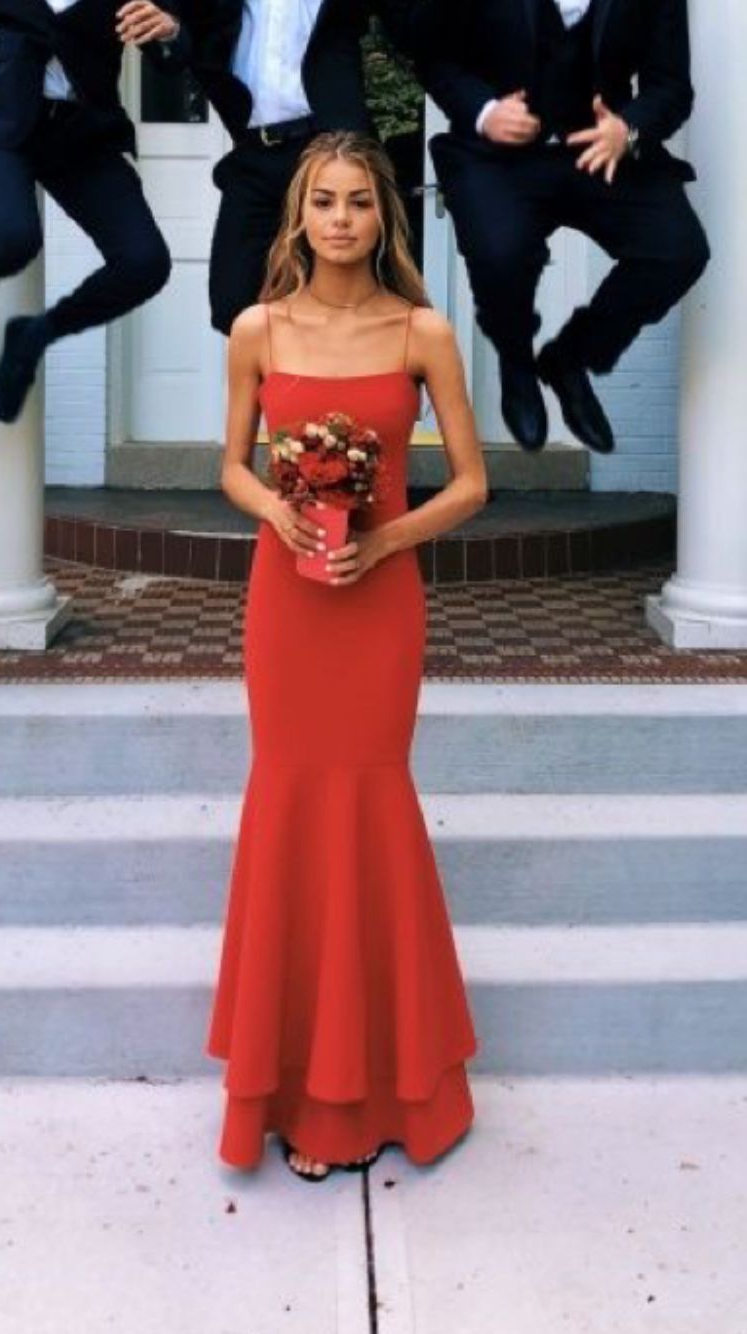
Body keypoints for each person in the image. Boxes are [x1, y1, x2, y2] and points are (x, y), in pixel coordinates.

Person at [206, 130, 486, 1180]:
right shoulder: (258, 328)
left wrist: (386, 538)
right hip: (288, 602)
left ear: (383, 216)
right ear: (298, 214)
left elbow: (472, 484)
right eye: (323, 201)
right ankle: (290, 1092)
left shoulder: (423, 332)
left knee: (370, 800)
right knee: (288, 801)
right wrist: (276, 509)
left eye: (358, 201)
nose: (339, 219)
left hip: (380, 600)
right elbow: (231, 465)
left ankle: (388, 1090)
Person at [412, 0, 710, 454]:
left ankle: (570, 358)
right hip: (498, 157)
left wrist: (628, 130)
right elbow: (435, 58)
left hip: (600, 148)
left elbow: (671, 88)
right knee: (500, 253)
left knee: (677, 250)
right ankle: (516, 362)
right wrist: (485, 111)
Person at [176, 0, 436, 337]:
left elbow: (411, 29)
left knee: (351, 291)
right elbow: (189, 36)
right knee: (233, 304)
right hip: (255, 149)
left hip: (329, 145)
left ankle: (348, 365)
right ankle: (295, 366)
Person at [0, 0, 189, 425]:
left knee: (144, 263)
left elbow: (173, 56)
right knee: (11, 238)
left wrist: (171, 29)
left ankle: (33, 335)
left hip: (81, 133)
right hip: (3, 129)